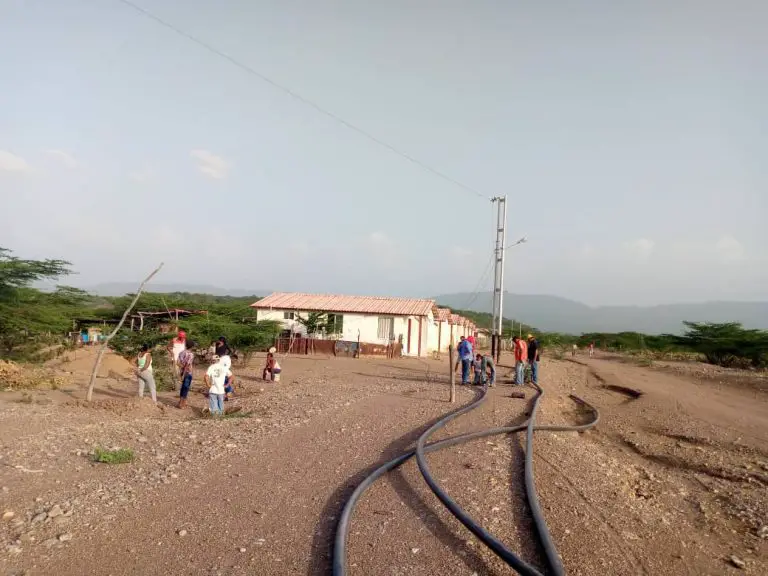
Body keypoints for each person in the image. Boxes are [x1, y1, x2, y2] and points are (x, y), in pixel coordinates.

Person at [176, 340, 195, 409]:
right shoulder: (190, 354)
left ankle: (182, 402)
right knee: (186, 388)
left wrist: (182, 371)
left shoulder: (181, 352)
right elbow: (188, 365)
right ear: (192, 346)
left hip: (181, 372)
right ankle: (181, 404)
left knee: (183, 387)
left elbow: (177, 363)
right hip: (187, 373)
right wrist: (185, 372)